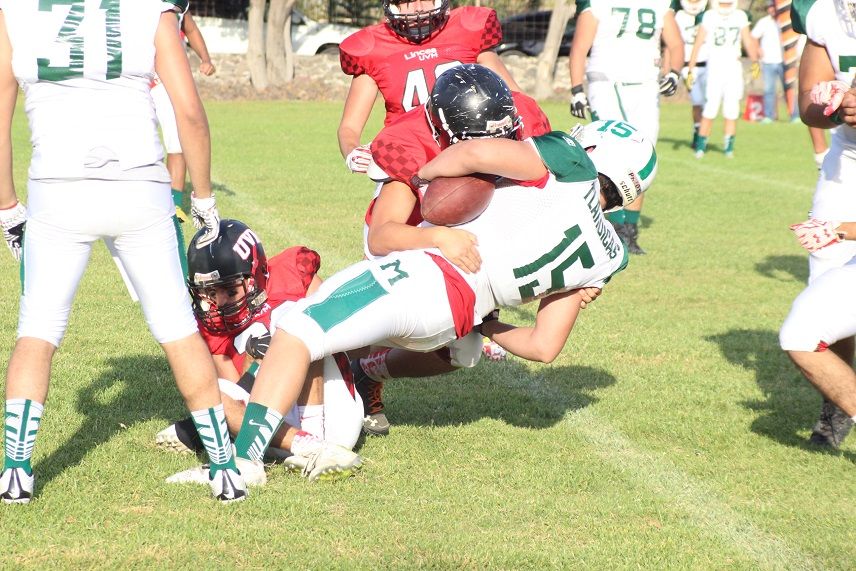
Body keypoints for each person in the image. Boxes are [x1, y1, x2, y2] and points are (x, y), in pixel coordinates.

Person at [176, 119, 658, 484]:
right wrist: (485, 324)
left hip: (426, 275)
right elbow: (542, 346)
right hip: (456, 319)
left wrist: (427, 176)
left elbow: (471, 153)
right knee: (404, 346)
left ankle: (243, 465)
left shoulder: (569, 162)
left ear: (592, 146)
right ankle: (352, 385)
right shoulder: (610, 256)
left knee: (297, 330)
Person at [0, 0, 247, 504]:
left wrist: (6, 206)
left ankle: (16, 472)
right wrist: (202, 198)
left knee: (38, 333)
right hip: (139, 186)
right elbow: (190, 113)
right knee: (179, 332)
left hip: (57, 188)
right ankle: (225, 470)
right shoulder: (150, 8)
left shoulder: (15, 10)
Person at [355, 64, 551, 437]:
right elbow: (383, 235)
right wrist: (439, 238)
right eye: (473, 144)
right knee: (384, 324)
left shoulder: (524, 113)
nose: (487, 152)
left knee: (463, 353)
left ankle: (369, 372)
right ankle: (345, 363)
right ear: (443, 130)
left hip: (473, 230)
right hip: (410, 234)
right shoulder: (406, 141)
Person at [158, 220, 364, 482]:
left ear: (254, 276)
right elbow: (238, 393)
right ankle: (306, 447)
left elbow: (345, 336)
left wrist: (284, 349)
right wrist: (255, 365)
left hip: (333, 414)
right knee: (208, 390)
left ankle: (314, 438)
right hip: (270, 421)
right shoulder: (210, 325)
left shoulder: (292, 273)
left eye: (229, 290)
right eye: (209, 292)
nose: (218, 303)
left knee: (304, 327)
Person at [779, 0, 856, 448]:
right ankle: (838, 405)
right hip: (846, 162)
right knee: (826, 290)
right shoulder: (824, 11)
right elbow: (808, 100)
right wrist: (830, 105)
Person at [337, 0, 521, 175]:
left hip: (470, 149)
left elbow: (516, 99)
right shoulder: (373, 48)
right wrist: (353, 152)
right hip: (408, 154)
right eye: (405, 1)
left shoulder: (467, 29)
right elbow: (349, 127)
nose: (418, 8)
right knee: (392, 203)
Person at [569, 0, 684, 256]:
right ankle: (603, 226)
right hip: (606, 83)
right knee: (605, 158)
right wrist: (577, 89)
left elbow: (675, 43)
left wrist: (675, 72)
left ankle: (629, 231)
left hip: (645, 85)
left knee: (642, 155)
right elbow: (579, 47)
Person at [150, 7, 216, 277]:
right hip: (138, 78)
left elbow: (189, 26)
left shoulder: (172, 7)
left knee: (176, 143)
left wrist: (205, 57)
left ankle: (174, 201)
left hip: (164, 79)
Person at [687, 0, 760, 159]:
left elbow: (747, 40)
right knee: (710, 107)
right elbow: (699, 42)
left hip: (732, 67)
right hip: (715, 67)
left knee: (731, 108)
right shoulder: (710, 16)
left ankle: (728, 148)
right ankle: (701, 146)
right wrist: (691, 68)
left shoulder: (739, 16)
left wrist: (755, 61)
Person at [752, 1, 798, 123]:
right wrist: (758, 49)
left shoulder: (786, 21)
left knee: (789, 88)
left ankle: (794, 115)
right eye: (769, 8)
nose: (771, 10)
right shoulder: (764, 22)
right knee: (769, 90)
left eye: (773, 7)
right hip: (768, 61)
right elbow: (753, 36)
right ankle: (769, 116)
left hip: (785, 61)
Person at [675, 0, 709, 149]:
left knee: (708, 103)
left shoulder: (709, 14)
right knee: (697, 101)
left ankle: (703, 133)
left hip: (708, 65)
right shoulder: (679, 16)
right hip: (688, 65)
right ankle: (698, 133)